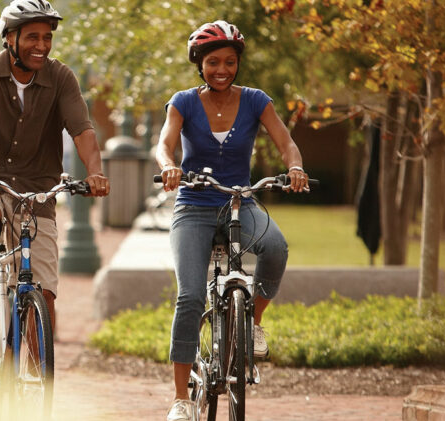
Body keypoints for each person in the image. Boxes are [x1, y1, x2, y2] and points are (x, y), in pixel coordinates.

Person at [154, 20, 309, 419]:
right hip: (194, 206)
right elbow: (165, 144)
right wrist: (169, 166)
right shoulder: (184, 102)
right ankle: (180, 399)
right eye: (212, 62)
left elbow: (286, 142)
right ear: (199, 65)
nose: (221, 69)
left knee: (276, 247)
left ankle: (253, 321)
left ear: (237, 62)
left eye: (229, 61)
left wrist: (295, 167)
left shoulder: (256, 100)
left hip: (242, 201)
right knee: (189, 296)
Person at [0, 0, 109, 355]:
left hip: (36, 191)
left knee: (43, 295)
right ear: (10, 39)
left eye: (47, 38)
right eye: (33, 37)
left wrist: (95, 173)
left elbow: (83, 131)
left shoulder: (60, 78)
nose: (42, 46)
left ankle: (35, 385)